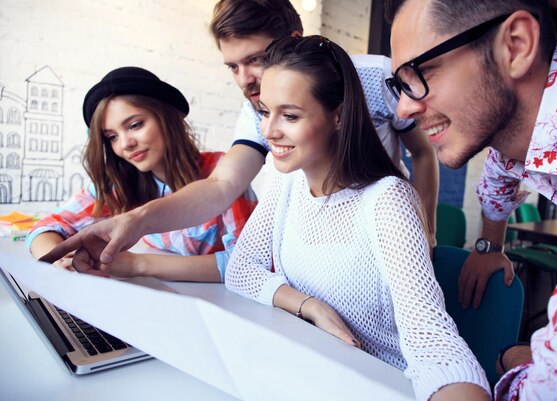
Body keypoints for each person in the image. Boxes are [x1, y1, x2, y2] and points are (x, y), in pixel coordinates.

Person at [40, 0, 438, 273]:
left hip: (387, 233)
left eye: (256, 60)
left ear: (294, 42)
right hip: (325, 247)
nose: (245, 79)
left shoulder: (376, 76)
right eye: (232, 66)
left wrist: (426, 228)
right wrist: (137, 220)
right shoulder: (255, 111)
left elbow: (423, 154)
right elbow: (220, 186)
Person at [225, 34, 494, 401]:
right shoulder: (287, 182)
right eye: (265, 112)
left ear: (337, 116)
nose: (269, 131)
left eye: (290, 116)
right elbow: (241, 269)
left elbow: (432, 341)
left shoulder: (387, 199)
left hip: (376, 393)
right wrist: (309, 306)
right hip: (310, 382)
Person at [384, 0, 557, 401]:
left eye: (421, 73)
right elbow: (497, 180)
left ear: (515, 46)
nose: (403, 108)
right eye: (398, 85)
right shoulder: (520, 140)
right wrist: (488, 248)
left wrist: (512, 363)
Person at [29, 66, 257, 282]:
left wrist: (137, 265)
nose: (125, 144)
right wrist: (59, 259)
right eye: (112, 137)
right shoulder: (121, 186)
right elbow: (46, 227)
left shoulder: (223, 170)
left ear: (167, 117)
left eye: (135, 125)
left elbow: (251, 264)